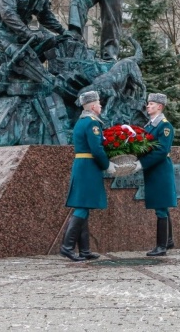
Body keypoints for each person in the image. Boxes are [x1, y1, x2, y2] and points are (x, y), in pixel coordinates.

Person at [60, 91, 116, 262]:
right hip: (89, 167)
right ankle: (67, 247)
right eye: (99, 103)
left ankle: (84, 250)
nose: (100, 106)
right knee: (82, 207)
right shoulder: (92, 123)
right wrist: (108, 165)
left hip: (82, 166)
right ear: (92, 106)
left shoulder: (81, 122)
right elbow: (97, 149)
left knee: (84, 206)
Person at [139, 92, 177, 257]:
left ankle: (161, 246)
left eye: (151, 104)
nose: (148, 106)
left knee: (161, 207)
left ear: (159, 107)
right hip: (154, 170)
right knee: (161, 206)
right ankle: (168, 241)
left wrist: (141, 163)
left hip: (160, 170)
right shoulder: (150, 126)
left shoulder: (164, 126)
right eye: (148, 104)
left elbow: (161, 151)